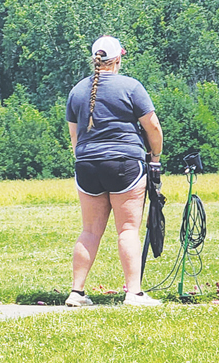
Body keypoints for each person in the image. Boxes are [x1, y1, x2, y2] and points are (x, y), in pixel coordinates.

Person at [64, 36, 163, 307]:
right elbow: (152, 126)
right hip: (124, 164)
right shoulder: (131, 86)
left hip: (86, 165)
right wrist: (155, 156)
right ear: (118, 58)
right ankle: (134, 293)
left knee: (90, 230)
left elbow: (75, 137)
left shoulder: (77, 91)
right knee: (128, 228)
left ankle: (77, 293)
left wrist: (84, 157)